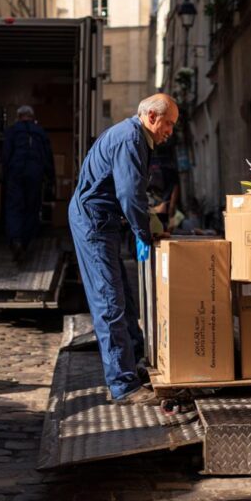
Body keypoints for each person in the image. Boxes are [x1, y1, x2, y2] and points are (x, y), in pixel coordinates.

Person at [68, 93, 179, 406]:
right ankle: (123, 386)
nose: (170, 130)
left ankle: (135, 366)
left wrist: (150, 228)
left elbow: (134, 195)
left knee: (124, 299)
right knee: (110, 301)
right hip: (95, 222)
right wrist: (144, 232)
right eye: (168, 123)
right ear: (151, 117)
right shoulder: (130, 139)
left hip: (104, 220)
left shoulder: (136, 138)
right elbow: (130, 195)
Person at [2, 105, 54, 261]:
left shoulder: (12, 131)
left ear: (19, 116)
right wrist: (51, 178)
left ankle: (16, 239)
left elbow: (6, 155)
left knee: (14, 207)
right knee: (31, 208)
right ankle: (25, 243)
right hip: (35, 174)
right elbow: (48, 158)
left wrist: (5, 176)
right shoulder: (41, 133)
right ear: (32, 117)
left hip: (16, 173)